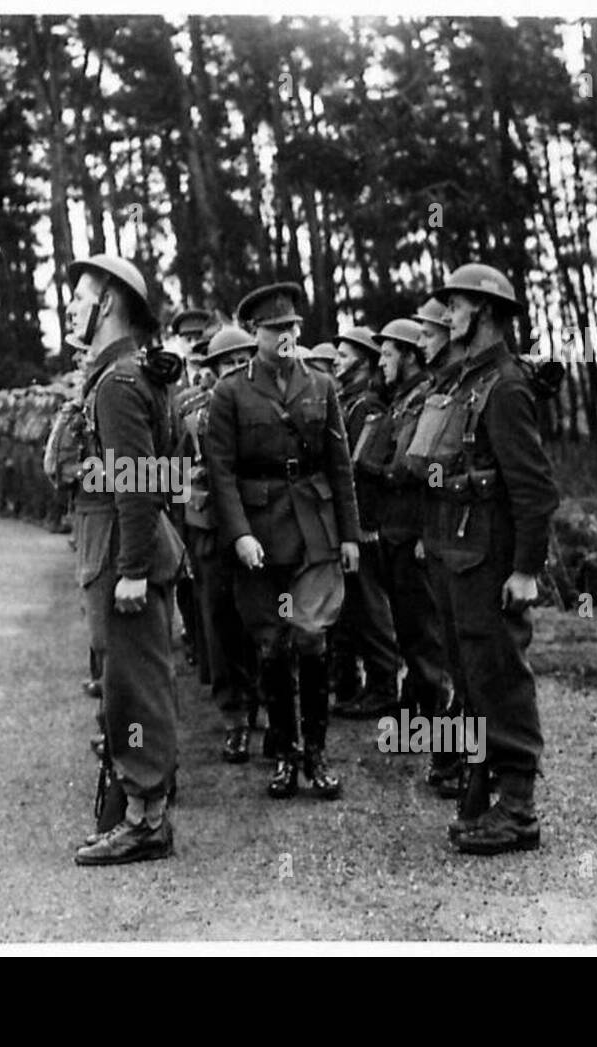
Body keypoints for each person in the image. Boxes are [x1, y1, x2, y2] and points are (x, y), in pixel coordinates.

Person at [416, 263, 559, 855]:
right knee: (469, 676)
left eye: (459, 304)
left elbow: (534, 488)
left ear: (489, 312)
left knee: (501, 677)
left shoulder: (506, 386)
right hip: (457, 554)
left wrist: (526, 570)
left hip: (492, 557)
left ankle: (520, 809)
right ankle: (485, 787)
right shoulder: (462, 381)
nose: (449, 313)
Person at [206, 282, 362, 800]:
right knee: (272, 646)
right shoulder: (230, 392)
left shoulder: (321, 385)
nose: (288, 336)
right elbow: (221, 474)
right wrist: (240, 536)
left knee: (313, 641)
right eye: (276, 330)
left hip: (314, 530)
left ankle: (316, 754)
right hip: (260, 536)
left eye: (293, 327)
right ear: (256, 334)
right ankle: (284, 754)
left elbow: (340, 467)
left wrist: (350, 534)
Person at [66, 253, 185, 866]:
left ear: (107, 303)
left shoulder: (116, 384)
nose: (70, 306)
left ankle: (146, 821)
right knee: (133, 682)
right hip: (123, 546)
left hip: (123, 551)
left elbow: (137, 484)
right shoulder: (131, 374)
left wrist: (134, 570)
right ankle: (140, 808)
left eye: (80, 296)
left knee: (135, 690)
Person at [364, 319, 457, 793]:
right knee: (411, 636)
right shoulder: (402, 400)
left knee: (427, 644)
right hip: (395, 532)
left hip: (414, 533)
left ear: (408, 356)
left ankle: (446, 753)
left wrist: (425, 533)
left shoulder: (426, 397)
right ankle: (414, 724)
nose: (381, 361)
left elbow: (419, 470)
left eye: (388, 354)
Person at [182, 325, 262, 762]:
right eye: (227, 363)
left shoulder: (264, 402)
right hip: (210, 532)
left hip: (255, 529)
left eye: (241, 360)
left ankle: (261, 703)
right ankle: (234, 717)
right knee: (220, 623)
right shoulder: (190, 411)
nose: (235, 369)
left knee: (260, 620)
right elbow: (173, 474)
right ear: (211, 370)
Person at [328, 325, 401, 720]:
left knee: (372, 610)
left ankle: (385, 687)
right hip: (355, 524)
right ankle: (370, 686)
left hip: (365, 525)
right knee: (356, 608)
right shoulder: (349, 403)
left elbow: (359, 473)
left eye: (344, 355)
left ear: (363, 362)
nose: (337, 362)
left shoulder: (366, 407)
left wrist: (359, 527)